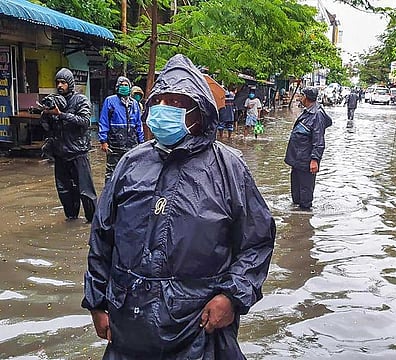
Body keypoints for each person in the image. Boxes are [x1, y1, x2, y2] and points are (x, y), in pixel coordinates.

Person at [82, 54, 276, 359]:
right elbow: (102, 238)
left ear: (199, 112)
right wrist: (96, 303)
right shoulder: (131, 163)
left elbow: (257, 242)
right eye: (159, 101)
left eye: (176, 103)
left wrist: (231, 297)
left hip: (199, 326)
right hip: (129, 323)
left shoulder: (229, 168)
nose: (164, 110)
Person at [40, 68, 97, 223]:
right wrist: (45, 115)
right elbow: (48, 128)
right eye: (58, 82)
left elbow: (85, 122)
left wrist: (62, 114)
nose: (60, 85)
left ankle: (92, 222)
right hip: (60, 153)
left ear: (70, 83)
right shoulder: (54, 100)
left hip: (78, 153)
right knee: (64, 191)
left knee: (86, 191)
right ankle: (71, 219)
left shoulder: (81, 100)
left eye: (63, 82)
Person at [284, 86, 332, 210]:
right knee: (296, 193)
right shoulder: (308, 111)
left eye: (301, 95)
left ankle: (304, 222)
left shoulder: (317, 115)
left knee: (305, 194)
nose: (300, 98)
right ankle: (295, 218)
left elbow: (319, 140)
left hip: (306, 161)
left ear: (306, 97)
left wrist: (315, 160)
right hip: (297, 159)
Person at [98, 76, 144, 182]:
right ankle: (109, 196)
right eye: (121, 85)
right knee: (112, 173)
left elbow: (138, 124)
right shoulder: (110, 101)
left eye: (126, 85)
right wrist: (103, 140)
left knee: (131, 171)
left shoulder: (134, 104)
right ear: (117, 87)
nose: (124, 87)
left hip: (131, 144)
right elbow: (104, 121)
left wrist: (141, 141)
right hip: (115, 143)